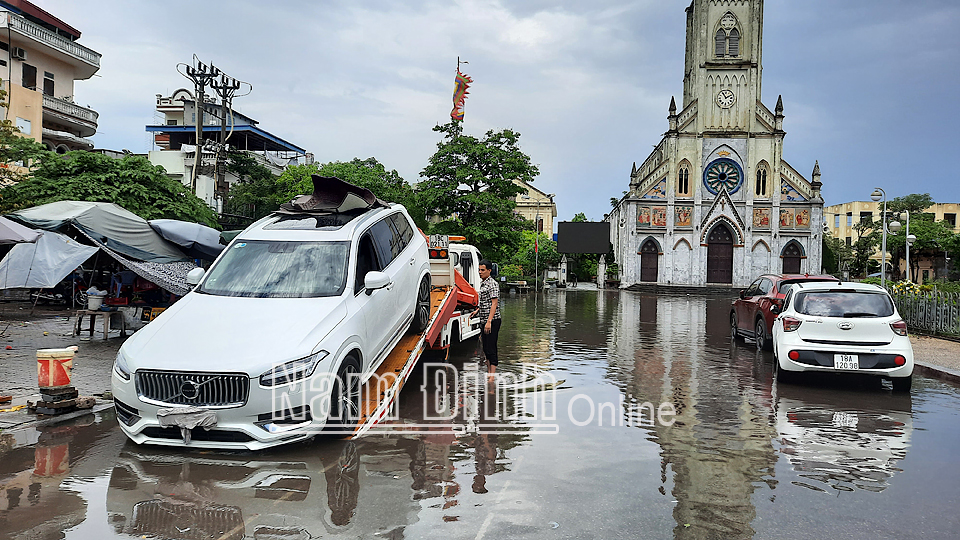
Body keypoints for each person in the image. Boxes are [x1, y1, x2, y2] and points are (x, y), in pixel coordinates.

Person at [472, 260, 501, 381]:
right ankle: (489, 373)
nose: (480, 272)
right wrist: (477, 310)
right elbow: (486, 302)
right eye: (479, 270)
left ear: (489, 270)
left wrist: (489, 321)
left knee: (491, 347)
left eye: (482, 270)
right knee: (486, 348)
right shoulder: (483, 283)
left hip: (492, 320)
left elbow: (494, 304)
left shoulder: (492, 284)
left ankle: (492, 378)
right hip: (484, 319)